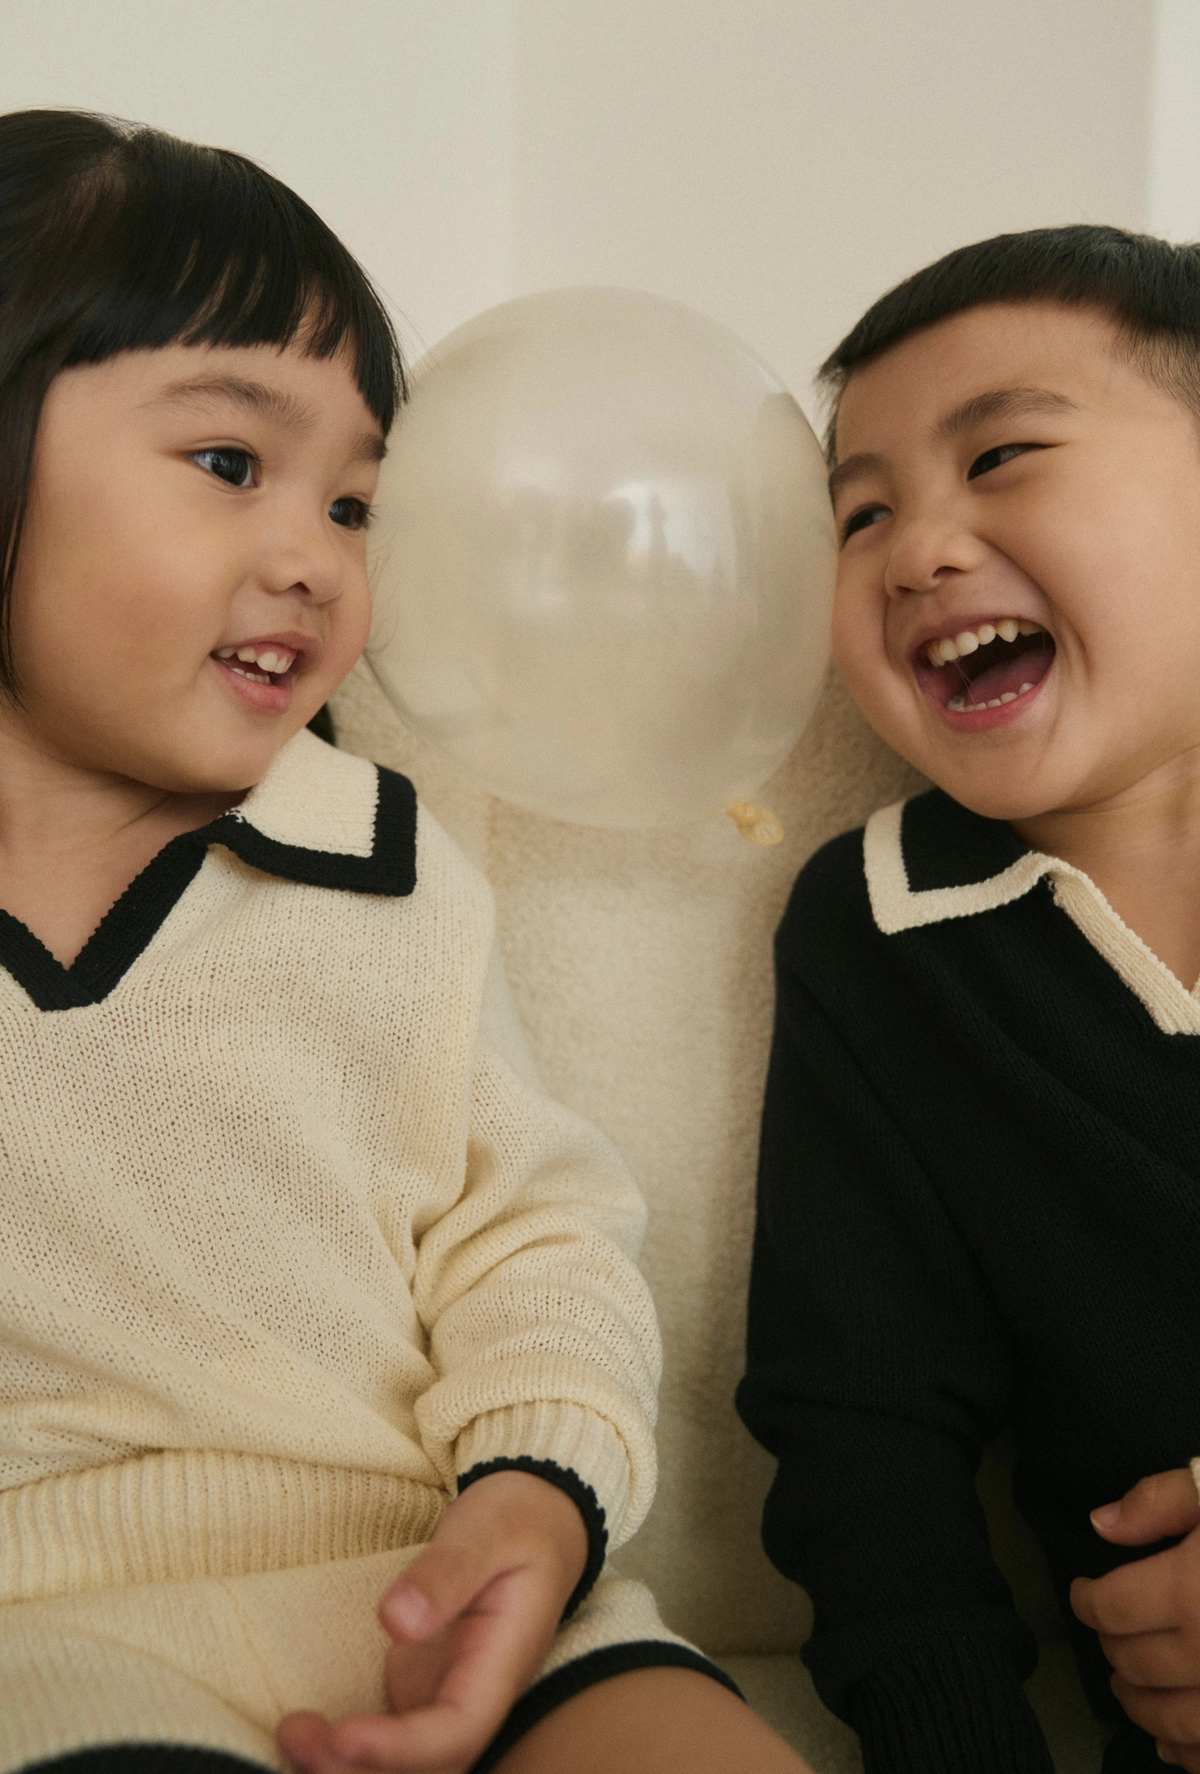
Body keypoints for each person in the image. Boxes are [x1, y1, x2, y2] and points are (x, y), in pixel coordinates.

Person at [0, 110, 811, 1774]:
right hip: (47, 1634)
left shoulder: (381, 866)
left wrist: (538, 1493)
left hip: (435, 1585)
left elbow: (535, 1234)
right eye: (232, 465)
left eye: (358, 503)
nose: (316, 560)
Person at [736, 223, 1200, 1774]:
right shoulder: (879, 935)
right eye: (858, 515)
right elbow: (862, 1434)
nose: (916, 549)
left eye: (1001, 456)